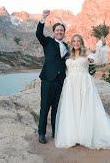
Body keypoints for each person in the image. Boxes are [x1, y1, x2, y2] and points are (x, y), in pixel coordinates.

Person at [35, 10, 69, 144]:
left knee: (57, 109)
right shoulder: (48, 41)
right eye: (57, 30)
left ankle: (56, 132)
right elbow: (38, 34)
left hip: (60, 81)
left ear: (64, 33)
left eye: (62, 30)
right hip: (48, 80)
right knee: (45, 108)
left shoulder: (66, 46)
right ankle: (41, 133)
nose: (59, 32)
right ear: (54, 32)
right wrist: (43, 18)